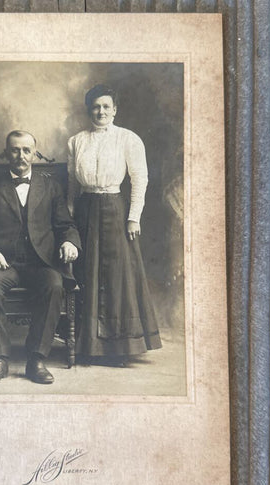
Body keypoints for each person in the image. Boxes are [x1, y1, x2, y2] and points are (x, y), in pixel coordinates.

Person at [0, 130, 80, 385]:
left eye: (26, 150)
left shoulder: (50, 187)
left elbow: (65, 225)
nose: (21, 156)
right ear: (7, 153)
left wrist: (70, 242)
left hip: (41, 262)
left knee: (54, 284)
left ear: (34, 154)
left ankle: (36, 359)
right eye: (15, 150)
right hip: (3, 263)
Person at [67, 84, 162, 365]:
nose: (101, 111)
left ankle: (119, 348)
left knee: (117, 276)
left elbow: (139, 178)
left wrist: (134, 217)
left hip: (114, 209)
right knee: (87, 273)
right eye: (96, 106)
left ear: (115, 110)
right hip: (85, 209)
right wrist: (71, 217)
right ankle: (88, 345)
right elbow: (72, 184)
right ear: (89, 110)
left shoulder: (127, 139)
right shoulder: (76, 141)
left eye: (106, 106)